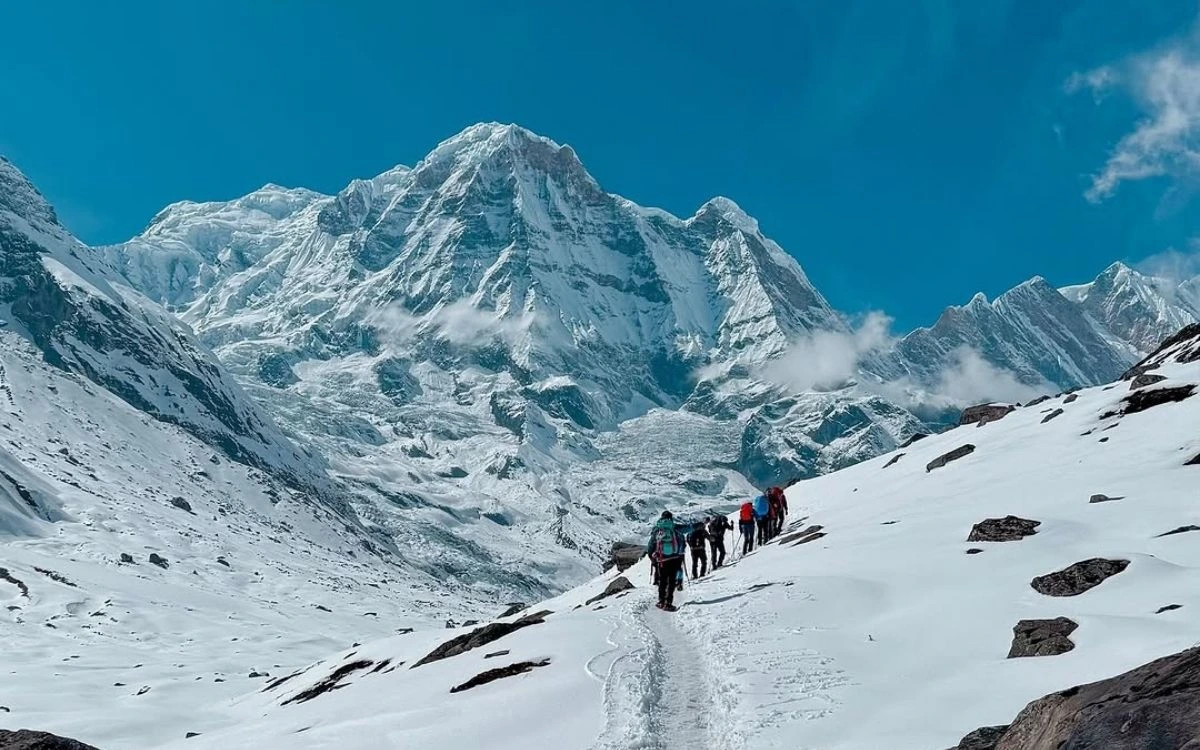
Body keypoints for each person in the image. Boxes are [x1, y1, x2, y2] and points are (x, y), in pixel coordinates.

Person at [646, 510, 687, 611]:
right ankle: (668, 603)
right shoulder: (674, 527)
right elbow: (686, 532)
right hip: (675, 558)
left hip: (662, 560)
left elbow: (651, 545)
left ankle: (661, 601)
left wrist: (652, 558)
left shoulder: (657, 529)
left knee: (663, 581)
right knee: (672, 581)